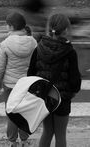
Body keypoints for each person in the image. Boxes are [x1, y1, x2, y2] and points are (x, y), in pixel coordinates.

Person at [27, 13, 81, 147]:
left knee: (47, 131)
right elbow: (75, 82)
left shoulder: (38, 48)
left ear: (49, 28)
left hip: (44, 98)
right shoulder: (70, 52)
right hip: (62, 99)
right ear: (66, 30)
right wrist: (72, 92)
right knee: (60, 135)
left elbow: (30, 75)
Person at [0, 12, 37, 147]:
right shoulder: (33, 42)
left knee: (11, 112)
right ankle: (24, 139)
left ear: (11, 26)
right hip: (27, 84)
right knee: (24, 112)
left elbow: (0, 69)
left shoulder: (5, 44)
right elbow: (36, 64)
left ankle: (12, 142)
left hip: (10, 85)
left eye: (7, 25)